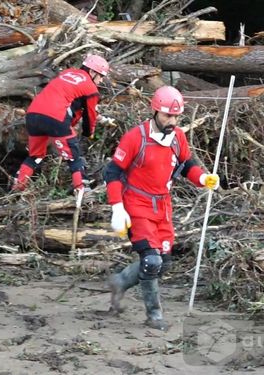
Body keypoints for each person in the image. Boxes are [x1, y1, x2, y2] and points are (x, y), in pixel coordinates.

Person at [103, 86, 219, 330]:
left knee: (164, 262)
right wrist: (117, 207)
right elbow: (112, 171)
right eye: (167, 115)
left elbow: (187, 165)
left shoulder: (178, 137)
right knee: (151, 261)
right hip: (137, 203)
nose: (172, 121)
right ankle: (154, 316)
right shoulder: (136, 137)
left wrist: (202, 179)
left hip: (163, 207)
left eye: (176, 117)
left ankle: (120, 281)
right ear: (155, 110)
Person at [11, 54, 110, 193]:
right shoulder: (91, 89)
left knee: (35, 156)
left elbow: (64, 98)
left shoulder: (66, 73)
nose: (101, 81)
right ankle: (82, 191)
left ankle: (17, 188)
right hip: (56, 117)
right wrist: (89, 133)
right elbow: (90, 115)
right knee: (74, 157)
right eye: (101, 76)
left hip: (33, 115)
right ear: (92, 72)